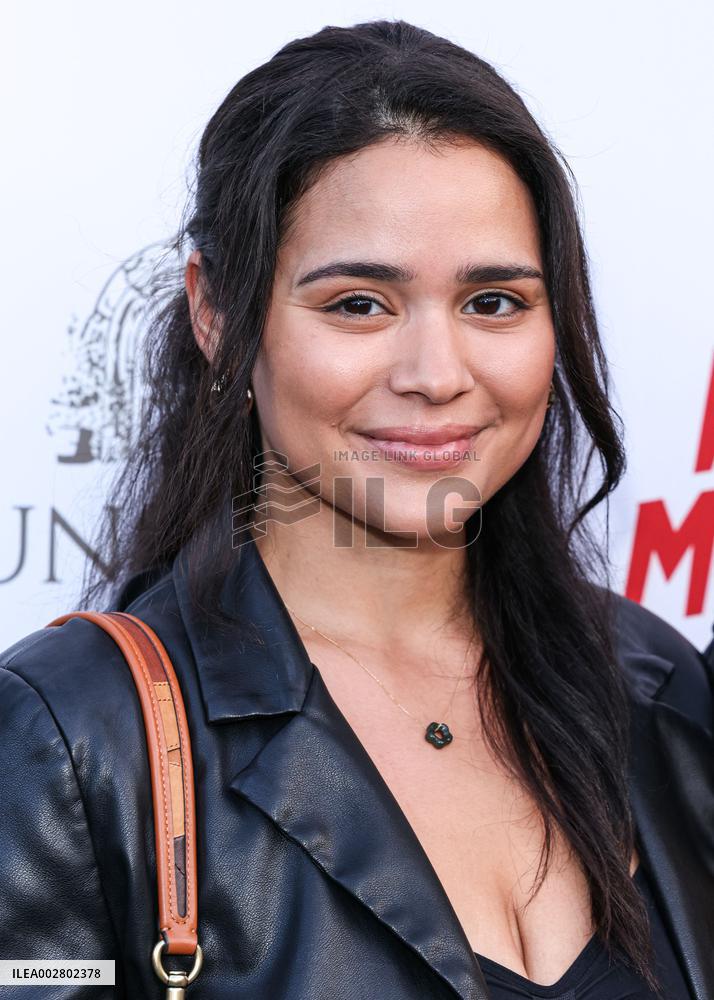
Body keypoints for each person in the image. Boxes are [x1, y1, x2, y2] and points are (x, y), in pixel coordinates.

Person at [0, 18, 711, 1000]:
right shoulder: (73, 737)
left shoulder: (656, 688)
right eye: (359, 305)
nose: (436, 374)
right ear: (217, 312)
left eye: (493, 301)